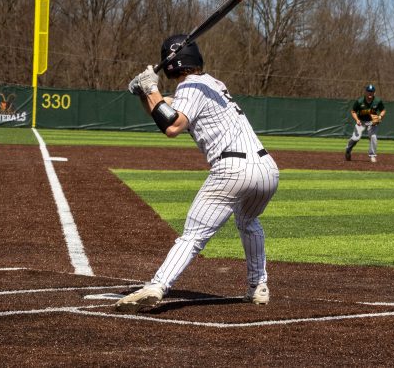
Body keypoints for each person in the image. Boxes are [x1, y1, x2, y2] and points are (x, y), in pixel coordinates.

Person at [115, 35, 280, 312]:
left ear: (171, 64)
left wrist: (150, 87)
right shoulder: (211, 84)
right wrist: (145, 92)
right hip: (267, 170)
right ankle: (258, 286)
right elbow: (162, 110)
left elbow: (171, 126)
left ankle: (157, 285)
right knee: (248, 221)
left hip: (232, 169)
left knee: (193, 236)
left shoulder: (191, 86)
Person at [345, 84, 386, 163]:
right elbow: (353, 111)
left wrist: (380, 117)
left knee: (373, 137)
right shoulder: (360, 101)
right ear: (365, 92)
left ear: (374, 93)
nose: (370, 93)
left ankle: (372, 155)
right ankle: (348, 149)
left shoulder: (377, 101)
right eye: (368, 91)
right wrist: (357, 119)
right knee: (355, 138)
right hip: (361, 121)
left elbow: (383, 110)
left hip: (372, 122)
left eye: (372, 91)